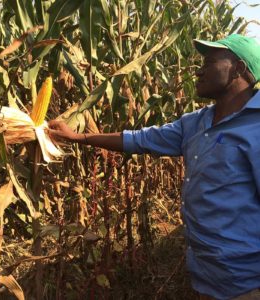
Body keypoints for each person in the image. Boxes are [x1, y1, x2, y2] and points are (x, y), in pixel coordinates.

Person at [48, 34, 260, 300]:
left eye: (209, 62)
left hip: (246, 282)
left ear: (239, 69)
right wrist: (80, 138)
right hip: (205, 274)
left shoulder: (256, 128)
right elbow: (140, 139)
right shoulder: (195, 123)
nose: (199, 70)